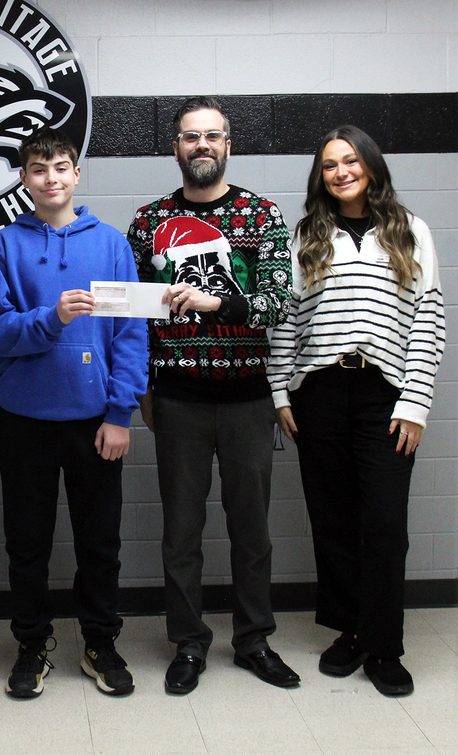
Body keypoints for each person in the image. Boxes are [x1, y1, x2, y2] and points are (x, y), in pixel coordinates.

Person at [127, 96, 298, 695]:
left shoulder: (261, 216)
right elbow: (136, 318)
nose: (201, 145)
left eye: (212, 136)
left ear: (228, 145)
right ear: (175, 147)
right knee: (181, 529)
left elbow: (278, 303)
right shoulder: (147, 223)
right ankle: (189, 644)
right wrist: (143, 389)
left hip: (248, 398)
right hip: (177, 398)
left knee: (251, 528)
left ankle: (254, 640)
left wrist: (215, 301)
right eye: (189, 136)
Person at [268, 126, 445, 697]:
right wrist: (279, 392)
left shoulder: (409, 229)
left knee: (386, 527)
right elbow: (286, 319)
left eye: (350, 161)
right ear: (320, 177)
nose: (340, 172)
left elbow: (429, 319)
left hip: (385, 397)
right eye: (329, 165)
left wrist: (415, 403)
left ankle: (384, 646)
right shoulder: (307, 235)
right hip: (318, 393)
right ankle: (349, 633)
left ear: (370, 165)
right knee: (335, 522)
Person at [0, 128, 148, 698]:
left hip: (96, 422)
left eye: (61, 167)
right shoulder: (4, 246)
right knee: (27, 543)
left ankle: (100, 641)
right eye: (38, 168)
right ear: (23, 179)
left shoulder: (111, 244)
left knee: (100, 543)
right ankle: (31, 644)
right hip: (24, 420)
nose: (50, 178)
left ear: (76, 174)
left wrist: (120, 413)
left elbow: (130, 335)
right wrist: (50, 319)